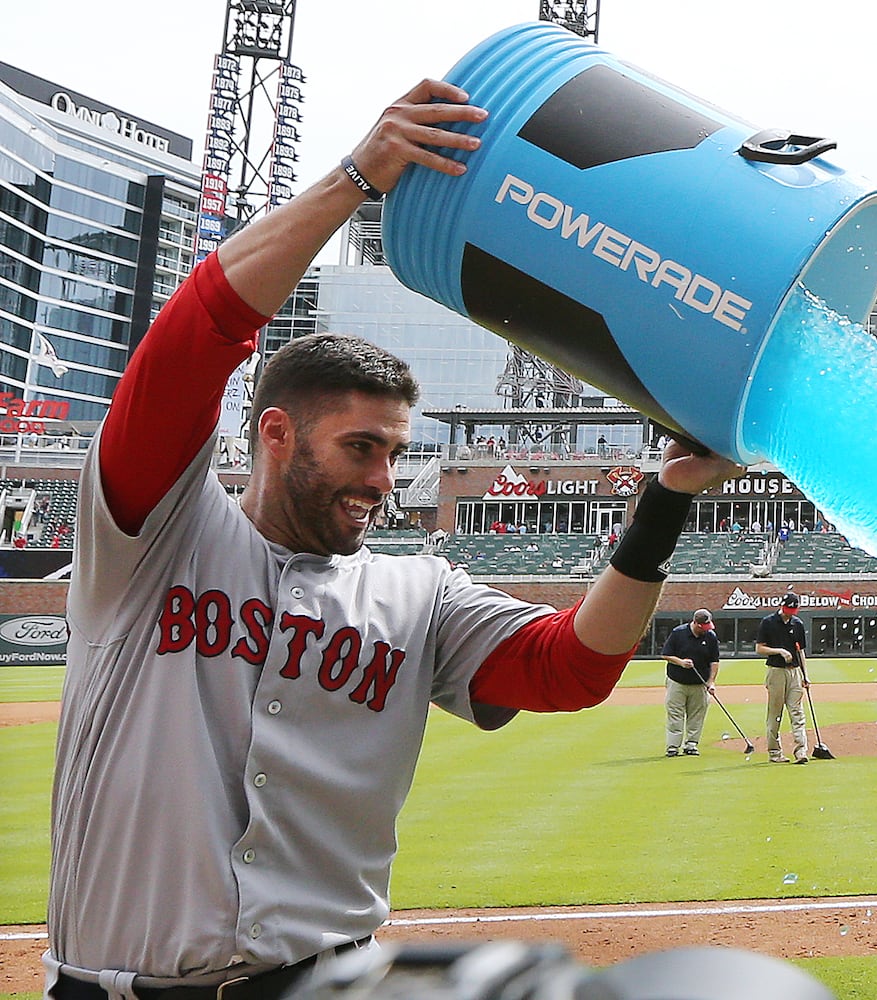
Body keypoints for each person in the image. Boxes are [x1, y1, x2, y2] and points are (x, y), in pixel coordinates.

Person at [44, 80, 741, 1000]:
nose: (383, 479)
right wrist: (353, 182)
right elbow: (198, 331)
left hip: (327, 983)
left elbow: (572, 668)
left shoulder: (420, 594)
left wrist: (665, 503)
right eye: (361, 448)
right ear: (277, 433)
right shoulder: (150, 534)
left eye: (396, 452)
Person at [660, 609, 722, 756]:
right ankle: (673, 747)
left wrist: (711, 682)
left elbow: (714, 661)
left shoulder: (711, 637)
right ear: (695, 623)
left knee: (697, 715)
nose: (706, 630)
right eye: (703, 627)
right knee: (675, 714)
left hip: (699, 684)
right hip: (677, 682)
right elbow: (666, 654)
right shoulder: (678, 633)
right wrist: (681, 662)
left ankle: (691, 745)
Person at [756, 593, 809, 763]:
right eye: (788, 609)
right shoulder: (768, 622)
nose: (790, 613)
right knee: (775, 713)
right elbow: (759, 648)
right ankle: (774, 752)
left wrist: (805, 676)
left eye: (793, 610)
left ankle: (801, 751)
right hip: (776, 671)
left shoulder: (797, 624)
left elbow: (800, 651)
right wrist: (779, 650)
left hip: (794, 672)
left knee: (797, 711)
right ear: (782, 606)